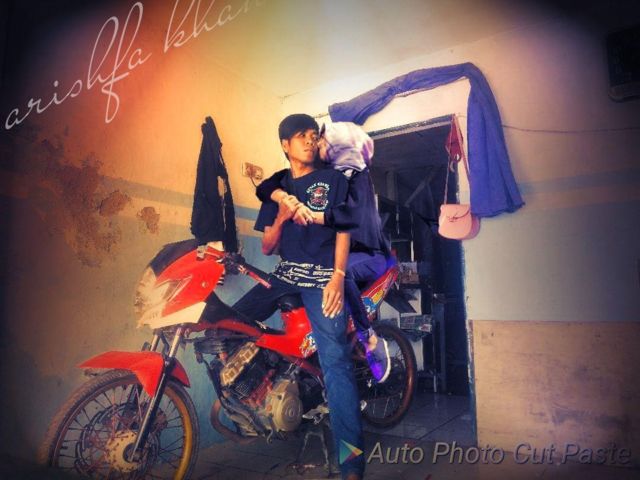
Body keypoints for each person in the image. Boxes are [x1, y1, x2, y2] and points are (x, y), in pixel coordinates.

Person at [233, 114, 365, 480]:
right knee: (231, 323)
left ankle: (352, 465)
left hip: (323, 277)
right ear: (284, 145)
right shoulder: (278, 187)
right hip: (285, 275)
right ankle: (273, 392)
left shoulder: (334, 180)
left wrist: (337, 277)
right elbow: (269, 246)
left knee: (336, 363)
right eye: (300, 135)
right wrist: (281, 217)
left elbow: (344, 230)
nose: (309, 140)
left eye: (312, 135)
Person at [256, 121, 393, 383]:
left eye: (320, 140)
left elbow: (341, 218)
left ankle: (369, 337)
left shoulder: (355, 178)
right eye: (311, 138)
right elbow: (265, 186)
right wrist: (283, 198)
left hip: (369, 254)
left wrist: (305, 212)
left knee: (340, 273)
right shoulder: (317, 176)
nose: (315, 143)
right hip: (333, 259)